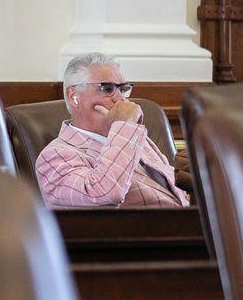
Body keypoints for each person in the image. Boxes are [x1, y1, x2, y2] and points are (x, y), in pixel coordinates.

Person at [35, 53, 190, 209]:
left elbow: (175, 193)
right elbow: (105, 193)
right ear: (74, 96)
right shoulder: (54, 157)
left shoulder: (132, 136)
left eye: (123, 89)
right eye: (107, 89)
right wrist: (124, 126)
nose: (120, 99)